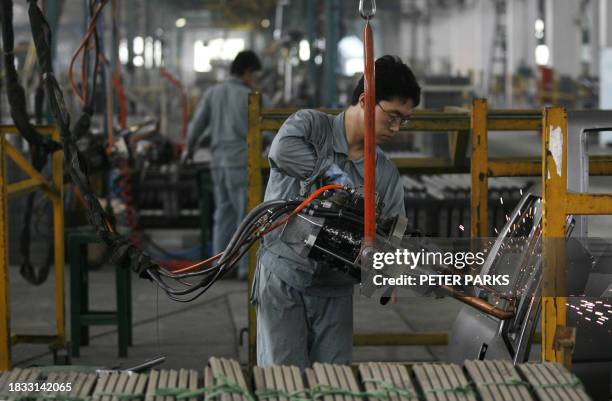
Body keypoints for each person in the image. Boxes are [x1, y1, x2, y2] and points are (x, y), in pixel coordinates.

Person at [252, 55, 421, 368]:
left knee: (333, 384)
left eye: (404, 121)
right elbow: (280, 151)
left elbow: (394, 232)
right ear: (365, 100)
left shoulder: (383, 173)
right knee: (282, 383)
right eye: (393, 116)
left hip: (334, 291)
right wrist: (331, 177)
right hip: (283, 279)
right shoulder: (310, 127)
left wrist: (388, 273)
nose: (397, 128)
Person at [184, 50, 263, 280]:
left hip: (217, 163)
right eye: (254, 75)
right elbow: (267, 130)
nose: (254, 80)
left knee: (223, 214)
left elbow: (196, 126)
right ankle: (243, 268)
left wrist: (188, 150)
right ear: (247, 72)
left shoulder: (212, 93)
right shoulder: (252, 96)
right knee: (245, 217)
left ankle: (220, 265)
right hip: (241, 163)